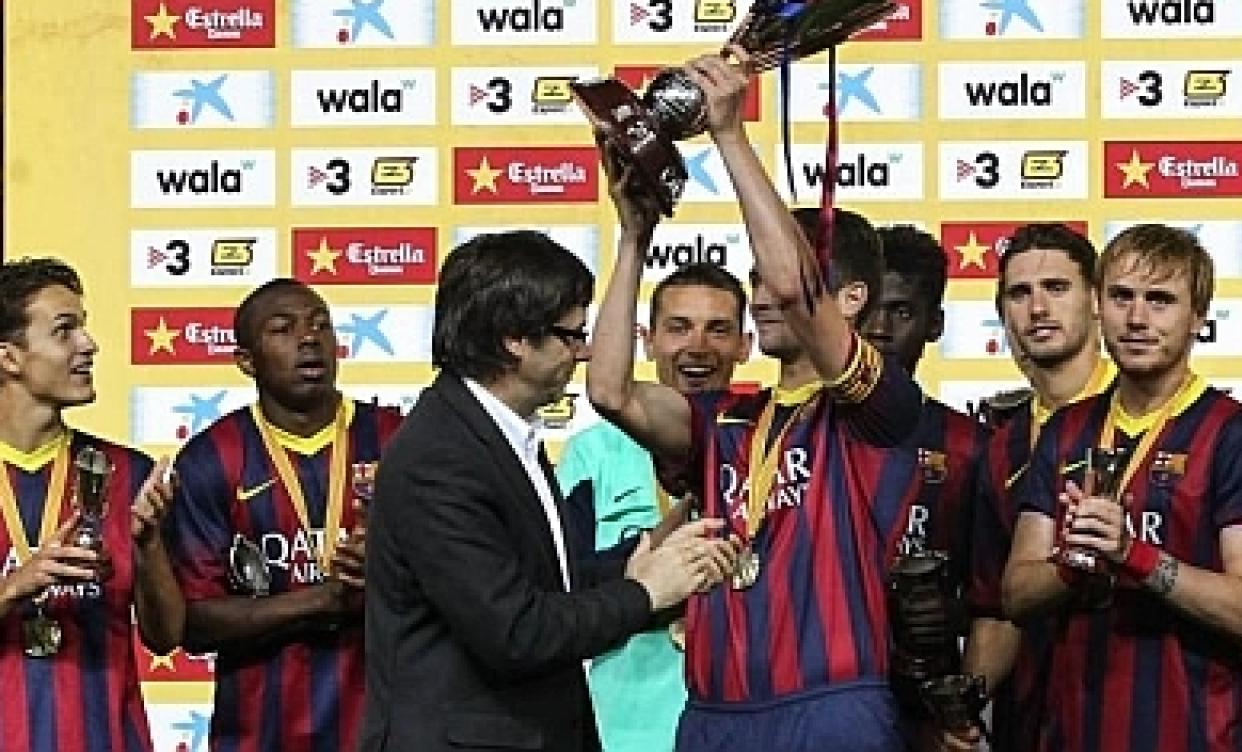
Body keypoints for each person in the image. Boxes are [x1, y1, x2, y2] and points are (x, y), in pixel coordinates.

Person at [586, 52, 925, 751]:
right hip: (716, 714)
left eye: (775, 273)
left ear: (852, 299)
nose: (763, 292)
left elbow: (798, 289)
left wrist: (730, 138)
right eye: (755, 278)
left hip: (831, 708)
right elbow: (609, 389)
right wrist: (632, 235)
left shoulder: (878, 408)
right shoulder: (728, 421)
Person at [360, 231, 736, 752]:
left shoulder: (502, 435)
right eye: (570, 335)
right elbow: (516, 632)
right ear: (514, 338)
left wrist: (643, 552)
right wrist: (647, 591)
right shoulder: (441, 458)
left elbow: (549, 582)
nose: (584, 353)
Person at [1003, 225, 1242, 752]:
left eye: (1160, 300)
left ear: (1198, 318)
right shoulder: (1066, 432)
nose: (1137, 319)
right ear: (1098, 306)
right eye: (1122, 297)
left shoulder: (1239, 439)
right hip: (1076, 733)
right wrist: (1074, 562)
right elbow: (1016, 594)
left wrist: (1131, 555)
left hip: (1200, 735)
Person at [165, 279, 402, 751]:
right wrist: (322, 600)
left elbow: (456, 580)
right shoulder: (211, 458)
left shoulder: (397, 440)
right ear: (246, 362)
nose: (310, 338)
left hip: (382, 729)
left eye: (320, 325)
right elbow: (192, 623)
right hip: (259, 733)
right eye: (283, 329)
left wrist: (392, 566)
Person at [555, 261, 751, 752]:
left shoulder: (769, 446)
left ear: (746, 346)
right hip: (626, 727)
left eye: (718, 330)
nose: (698, 347)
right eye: (678, 328)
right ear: (646, 340)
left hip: (746, 716)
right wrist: (656, 570)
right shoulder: (591, 453)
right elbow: (558, 586)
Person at [0, 257, 179, 752]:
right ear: (9, 357)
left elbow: (166, 637)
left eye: (84, 326)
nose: (89, 345)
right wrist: (18, 584)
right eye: (65, 330)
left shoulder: (129, 473)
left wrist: (149, 546)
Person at [960, 223, 1114, 752]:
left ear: (1096, 301)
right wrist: (965, 705)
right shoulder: (1001, 446)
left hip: (1137, 712)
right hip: (1030, 724)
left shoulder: (1149, 416)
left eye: (1056, 288)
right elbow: (995, 608)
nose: (1038, 308)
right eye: (1020, 293)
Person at [861, 225, 986, 746]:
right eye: (869, 308)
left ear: (934, 324)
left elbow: (993, 599)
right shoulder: (801, 432)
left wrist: (958, 712)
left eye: (903, 312)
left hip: (922, 712)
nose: (881, 328)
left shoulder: (968, 444)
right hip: (819, 703)